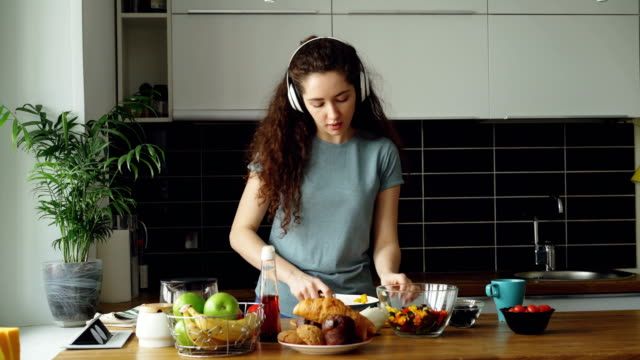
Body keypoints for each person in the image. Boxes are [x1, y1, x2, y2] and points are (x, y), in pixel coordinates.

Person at [229, 36, 411, 317]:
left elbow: (386, 241)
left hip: (355, 309)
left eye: (342, 98)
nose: (332, 114)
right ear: (298, 101)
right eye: (318, 103)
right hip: (284, 310)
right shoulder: (278, 151)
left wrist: (387, 274)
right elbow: (240, 234)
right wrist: (293, 277)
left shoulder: (381, 153)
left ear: (359, 90)